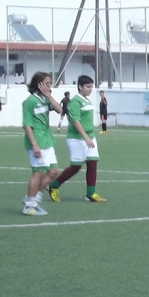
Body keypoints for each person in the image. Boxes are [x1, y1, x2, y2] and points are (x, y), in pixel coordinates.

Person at [47, 75, 106, 203]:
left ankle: (91, 193)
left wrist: (89, 137)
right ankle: (53, 185)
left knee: (92, 162)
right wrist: (86, 138)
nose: (90, 89)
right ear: (80, 86)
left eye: (91, 86)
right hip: (77, 139)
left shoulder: (87, 100)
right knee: (76, 166)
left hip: (90, 137)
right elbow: (75, 121)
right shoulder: (75, 102)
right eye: (87, 86)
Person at [22, 71, 64, 216]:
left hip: (47, 141)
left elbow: (60, 110)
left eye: (50, 83)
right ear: (38, 84)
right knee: (37, 173)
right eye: (46, 83)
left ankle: (33, 198)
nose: (49, 86)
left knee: (53, 171)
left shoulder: (45, 99)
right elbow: (27, 125)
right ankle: (29, 205)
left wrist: (49, 95)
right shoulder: (30, 101)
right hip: (37, 141)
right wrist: (34, 144)